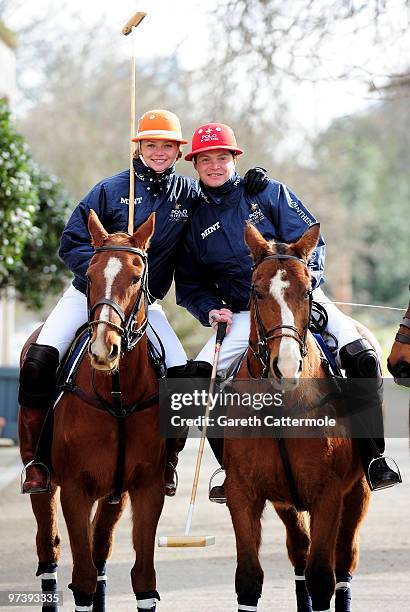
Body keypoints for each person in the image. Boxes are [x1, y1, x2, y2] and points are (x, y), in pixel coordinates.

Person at [19, 110, 268, 495]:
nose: (158, 152)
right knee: (39, 360)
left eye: (166, 145)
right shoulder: (108, 189)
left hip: (144, 303)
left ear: (177, 150)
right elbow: (70, 242)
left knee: (180, 374)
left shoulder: (188, 193)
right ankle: (36, 461)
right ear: (138, 146)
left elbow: (223, 193)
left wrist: (254, 185)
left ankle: (167, 459)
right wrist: (111, 273)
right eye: (150, 144)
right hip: (88, 293)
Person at [175, 122, 401, 502]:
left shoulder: (268, 191)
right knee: (196, 381)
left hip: (299, 297)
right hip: (246, 311)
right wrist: (210, 309)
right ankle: (228, 468)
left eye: (222, 157)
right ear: (195, 165)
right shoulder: (195, 219)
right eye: (206, 159)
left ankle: (374, 456)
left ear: (235, 159)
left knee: (361, 356)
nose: (215, 165)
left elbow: (314, 242)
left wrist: (307, 290)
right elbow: (191, 284)